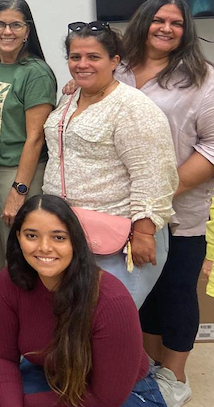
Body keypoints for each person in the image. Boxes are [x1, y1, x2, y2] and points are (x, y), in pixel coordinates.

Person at [112, 0, 214, 406]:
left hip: (177, 212)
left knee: (175, 293)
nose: (166, 28)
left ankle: (175, 376)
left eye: (175, 22)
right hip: (119, 211)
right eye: (159, 20)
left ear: (186, 30)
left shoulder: (203, 78)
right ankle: (149, 369)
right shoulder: (117, 69)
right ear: (143, 23)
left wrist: (157, 191)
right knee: (139, 295)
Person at [0, 195, 166, 407]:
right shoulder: (10, 281)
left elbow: (105, 400)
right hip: (47, 375)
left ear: (75, 241)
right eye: (31, 235)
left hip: (123, 395)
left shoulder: (112, 299)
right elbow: (2, 357)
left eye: (58, 237)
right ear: (18, 237)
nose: (44, 247)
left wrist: (25, 403)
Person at [42, 21, 176, 309]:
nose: (82, 64)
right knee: (74, 321)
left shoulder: (133, 107)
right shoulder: (69, 98)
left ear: (115, 61)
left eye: (93, 57)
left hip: (121, 238)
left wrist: (143, 233)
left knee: (110, 321)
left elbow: (153, 173)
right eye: (75, 57)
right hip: (71, 233)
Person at [0, 0, 56, 272]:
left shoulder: (36, 73)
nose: (7, 32)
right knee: (0, 257)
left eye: (15, 25)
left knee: (22, 259)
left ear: (27, 31)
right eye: (0, 24)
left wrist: (18, 190)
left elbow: (36, 137)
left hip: (17, 175)